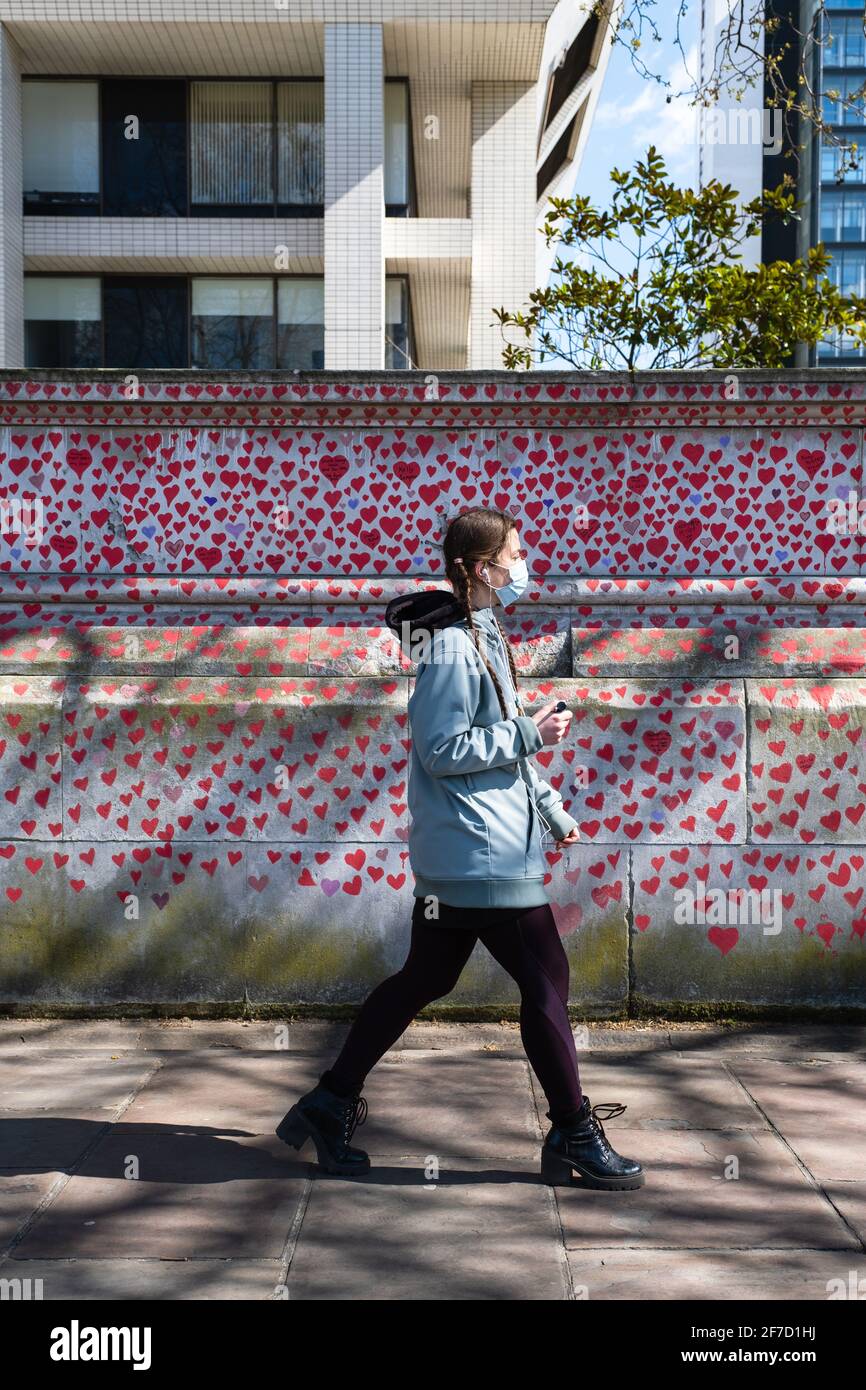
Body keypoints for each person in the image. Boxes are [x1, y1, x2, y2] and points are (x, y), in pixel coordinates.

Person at [276, 506, 644, 1191]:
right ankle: (573, 1131)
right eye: (515, 555)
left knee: (429, 978)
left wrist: (553, 809)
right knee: (544, 979)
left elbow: (503, 733)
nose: (522, 567)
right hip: (479, 854)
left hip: (484, 845)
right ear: (481, 568)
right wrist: (531, 736)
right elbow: (442, 750)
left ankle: (328, 1104)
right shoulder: (448, 649)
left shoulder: (484, 632)